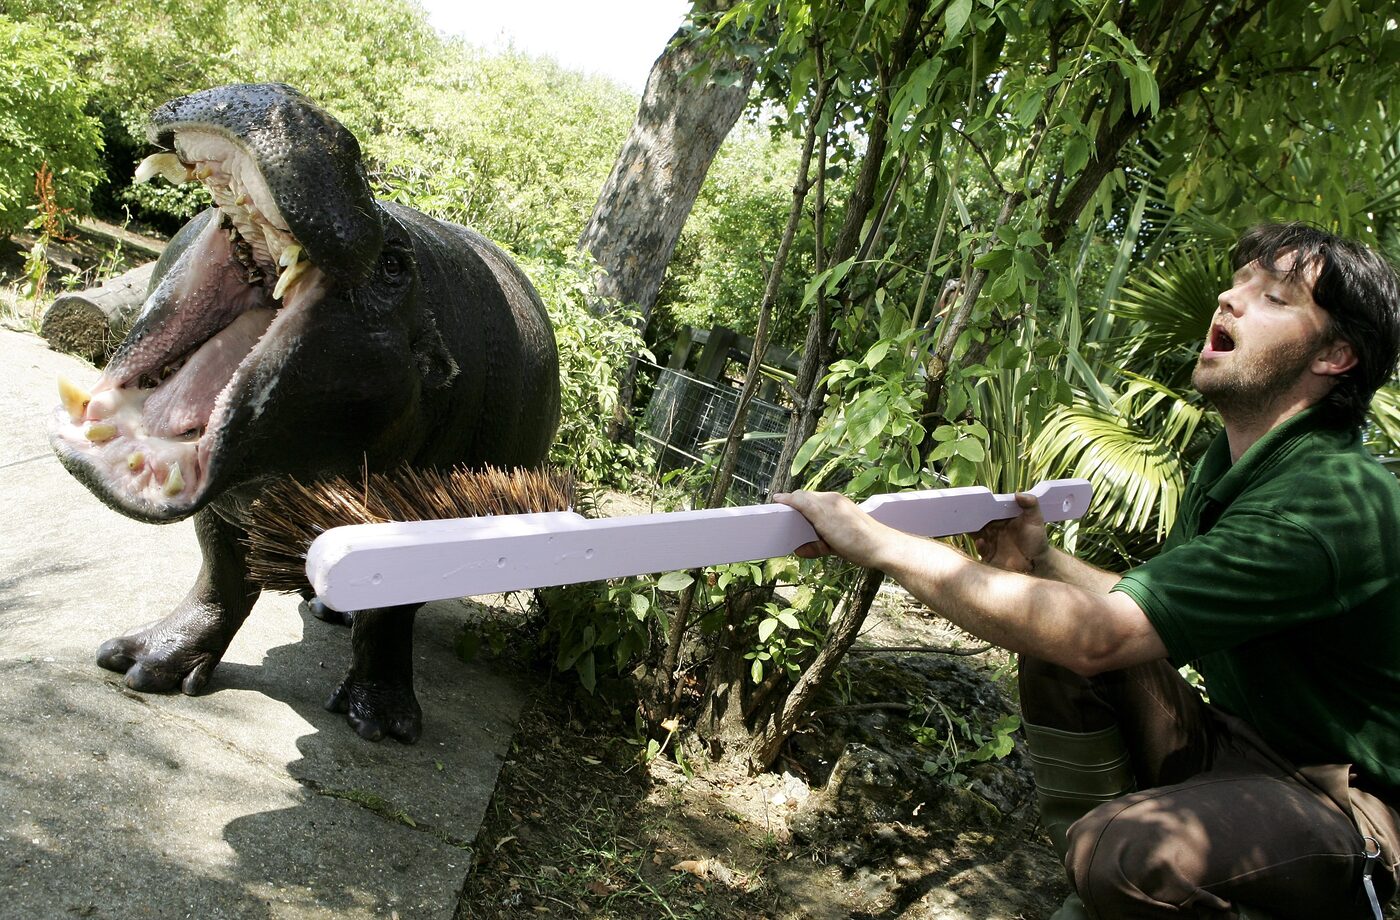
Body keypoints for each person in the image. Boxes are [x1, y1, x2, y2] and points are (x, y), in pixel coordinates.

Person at [774, 223, 1400, 920]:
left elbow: (1099, 636)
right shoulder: (1232, 465)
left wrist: (875, 540)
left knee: (1125, 850)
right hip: (1231, 743)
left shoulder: (1332, 502)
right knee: (1055, 658)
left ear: (1337, 354)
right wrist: (1042, 560)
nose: (1229, 299)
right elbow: (1142, 609)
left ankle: (1114, 869)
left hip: (1340, 805)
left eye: (1274, 297)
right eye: (1240, 282)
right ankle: (1107, 888)